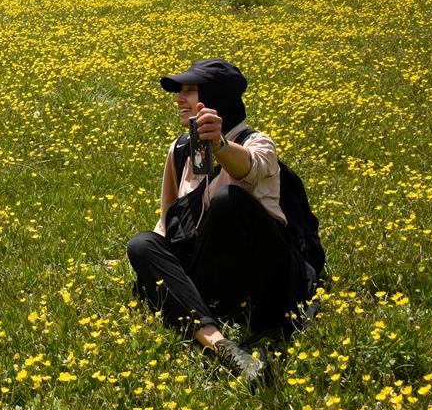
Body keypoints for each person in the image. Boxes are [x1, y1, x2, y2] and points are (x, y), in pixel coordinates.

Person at [126, 59, 304, 389]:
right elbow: (169, 222)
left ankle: (207, 322)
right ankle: (222, 346)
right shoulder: (180, 149)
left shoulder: (258, 143)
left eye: (190, 91)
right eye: (179, 91)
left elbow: (249, 168)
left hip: (259, 275)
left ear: (216, 97)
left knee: (228, 202)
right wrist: (151, 256)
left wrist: (219, 145)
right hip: (210, 273)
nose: (179, 98)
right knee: (141, 244)